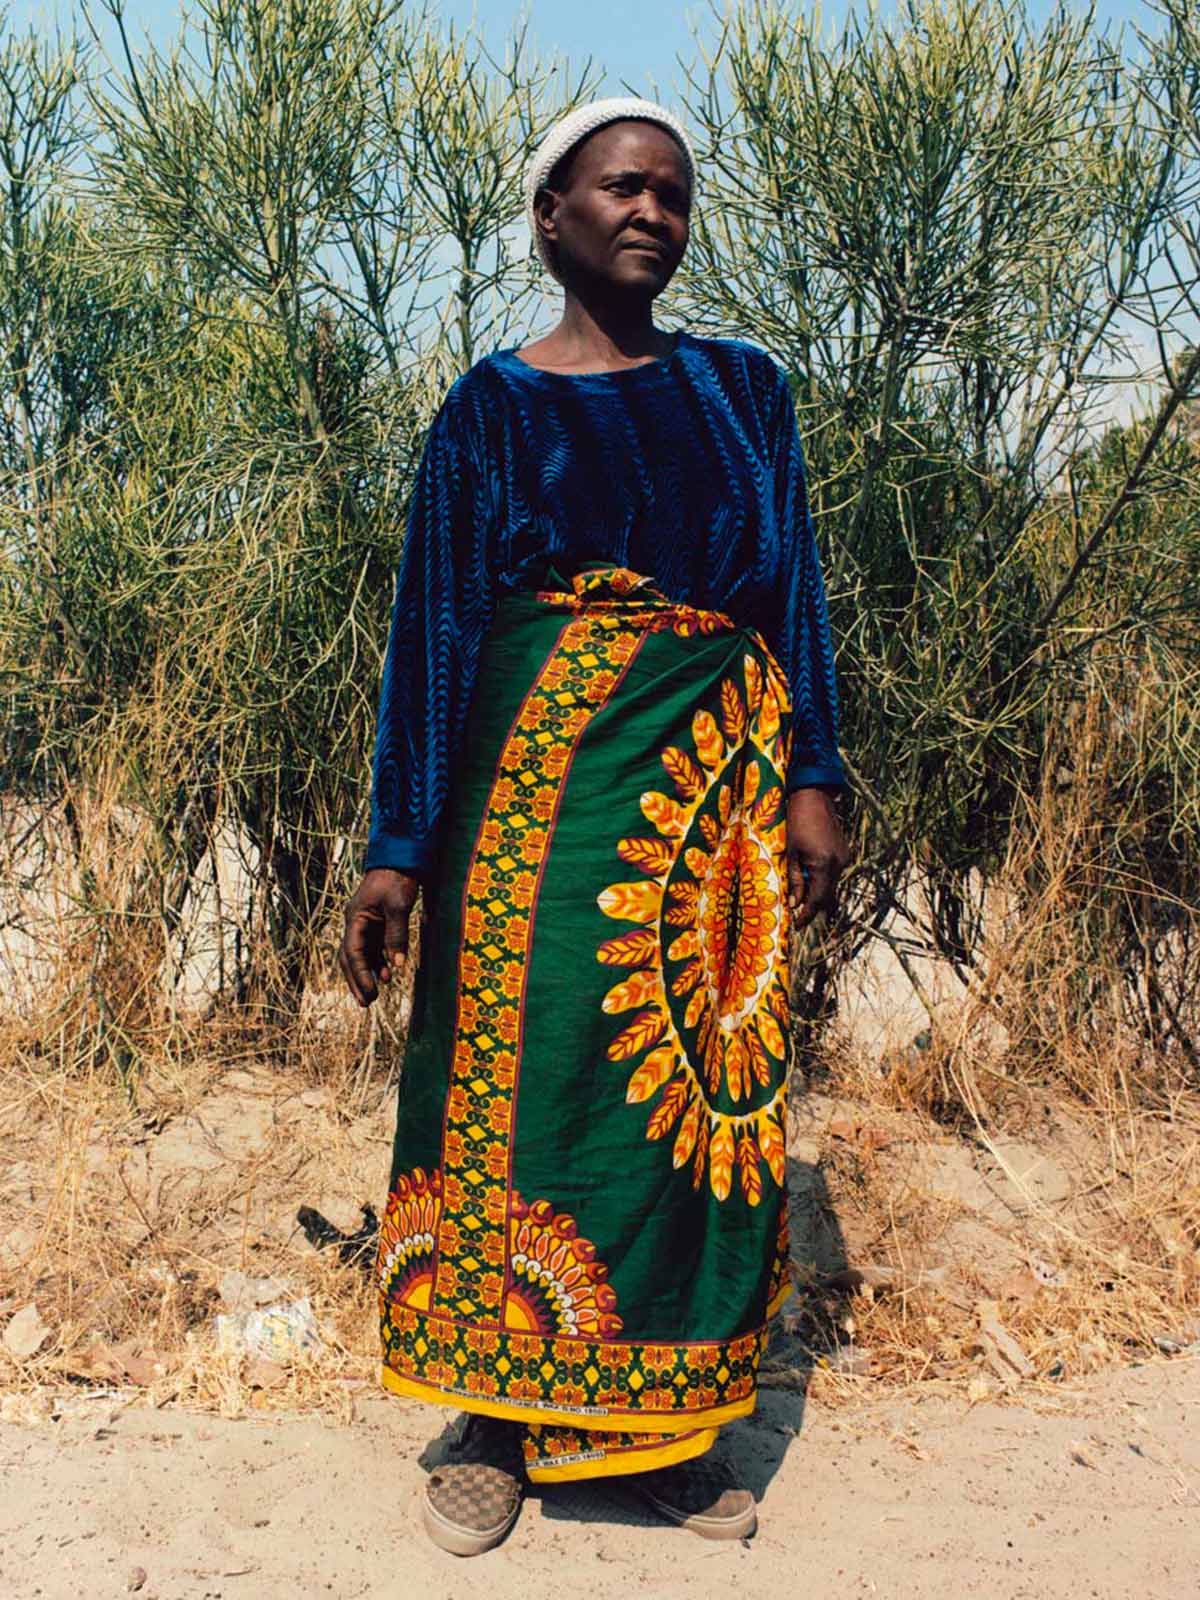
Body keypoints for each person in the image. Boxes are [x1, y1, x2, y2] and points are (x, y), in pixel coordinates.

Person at [339, 95, 850, 1557]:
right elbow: (433, 634)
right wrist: (399, 845)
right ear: (552, 217)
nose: (652, 213)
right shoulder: (494, 411)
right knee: (519, 1078)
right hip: (536, 808)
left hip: (714, 798)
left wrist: (815, 775)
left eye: (675, 197)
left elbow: (793, 594)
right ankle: (489, 1421)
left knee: (691, 1110)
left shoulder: (746, 393)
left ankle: (661, 1429)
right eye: (623, 189)